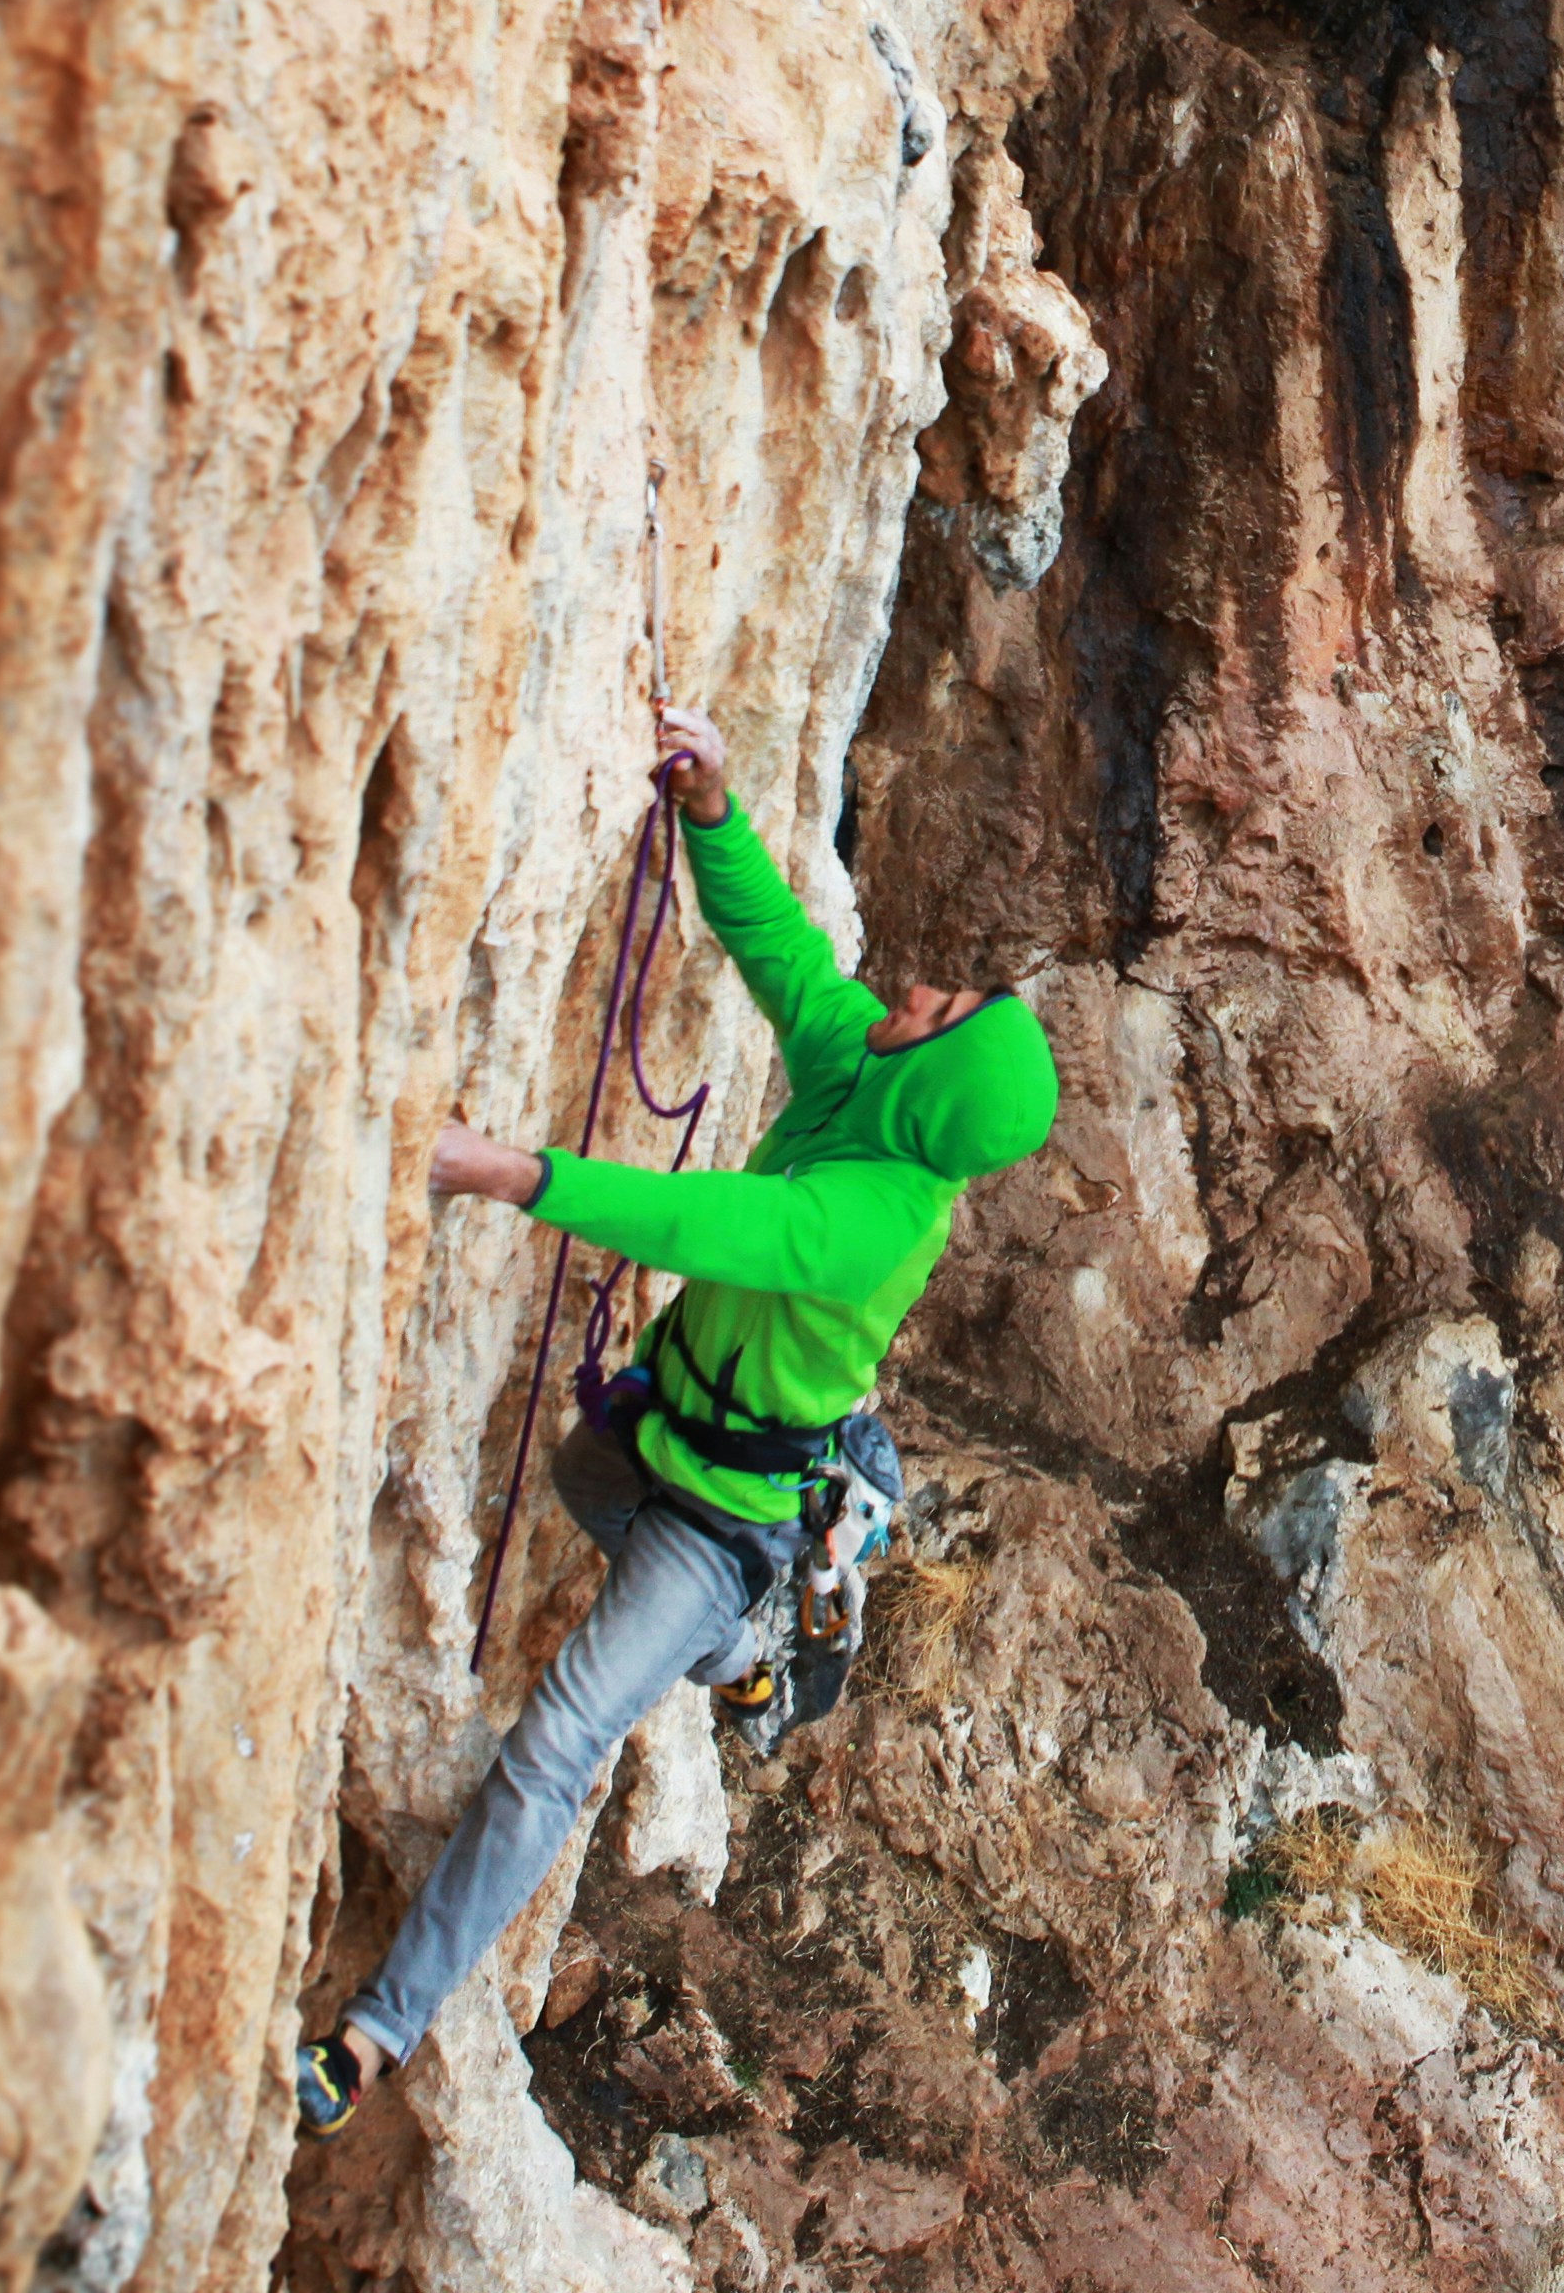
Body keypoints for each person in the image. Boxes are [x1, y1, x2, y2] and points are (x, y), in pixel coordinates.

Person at [297, 699, 1059, 2132]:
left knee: (556, 1743)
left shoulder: (869, 1217)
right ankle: (754, 1659)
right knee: (588, 1497)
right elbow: (785, 954)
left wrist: (512, 1173)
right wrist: (711, 810)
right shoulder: (862, 1079)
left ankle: (374, 2034)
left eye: (942, 1011)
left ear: (935, 1076)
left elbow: (703, 1218)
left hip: (724, 1513)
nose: (916, 993)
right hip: (654, 1438)